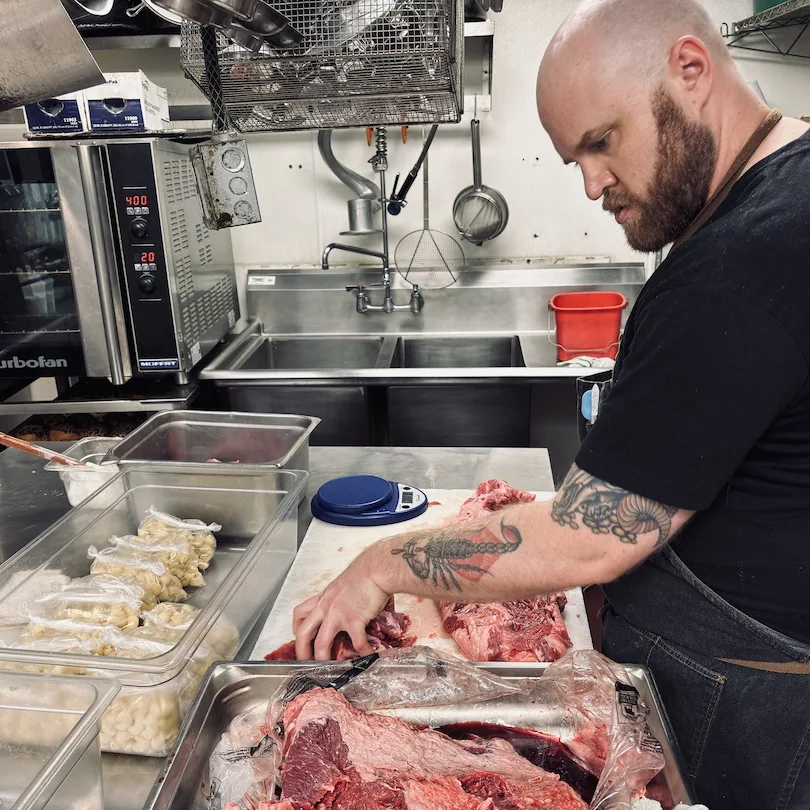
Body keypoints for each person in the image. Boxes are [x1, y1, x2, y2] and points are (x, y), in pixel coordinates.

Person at [292, 1, 810, 807]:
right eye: (575, 157)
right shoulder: (788, 183)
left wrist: (381, 565)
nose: (593, 182)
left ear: (692, 70)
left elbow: (586, 540)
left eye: (602, 142)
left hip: (751, 702)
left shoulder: (741, 259)